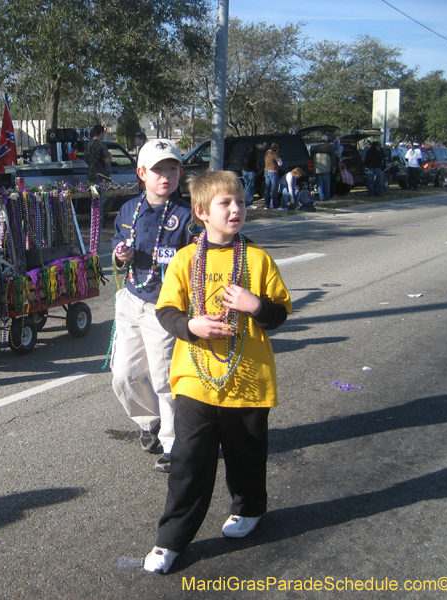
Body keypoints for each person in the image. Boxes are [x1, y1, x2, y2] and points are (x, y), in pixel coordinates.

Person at [142, 170, 292, 575]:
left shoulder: (257, 258)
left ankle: (249, 507)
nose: (236, 209)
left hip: (247, 379)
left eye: (240, 202)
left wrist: (254, 304)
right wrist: (191, 326)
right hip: (196, 377)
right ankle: (171, 538)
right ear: (201, 213)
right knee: (189, 461)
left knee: (246, 454)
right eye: (225, 203)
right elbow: (167, 311)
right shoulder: (185, 259)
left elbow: (278, 313)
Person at [111, 139, 193, 473]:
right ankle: (150, 422)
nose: (166, 176)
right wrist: (120, 255)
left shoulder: (187, 217)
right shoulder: (129, 209)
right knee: (124, 375)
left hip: (165, 308)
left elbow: (196, 260)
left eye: (172, 169)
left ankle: (175, 445)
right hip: (131, 300)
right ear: (142, 173)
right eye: (158, 169)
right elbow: (118, 242)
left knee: (163, 378)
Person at [242, 140, 266, 207]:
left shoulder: (256, 151)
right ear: (259, 144)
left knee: (249, 186)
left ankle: (247, 201)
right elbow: (246, 161)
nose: (264, 148)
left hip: (249, 170)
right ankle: (248, 202)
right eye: (263, 146)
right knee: (249, 186)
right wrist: (249, 170)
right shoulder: (251, 150)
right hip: (248, 171)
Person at [311, 135, 336, 201]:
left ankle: (321, 197)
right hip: (326, 168)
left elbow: (312, 159)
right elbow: (333, 159)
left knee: (320, 184)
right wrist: (333, 168)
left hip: (317, 169)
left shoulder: (315, 148)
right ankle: (327, 197)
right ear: (327, 141)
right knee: (327, 184)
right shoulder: (329, 148)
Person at [263, 142, 281, 209]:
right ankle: (276, 205)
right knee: (274, 189)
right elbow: (280, 163)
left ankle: (266, 205)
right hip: (273, 171)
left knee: (267, 189)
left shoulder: (267, 153)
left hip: (266, 171)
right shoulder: (274, 154)